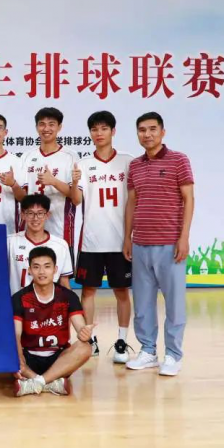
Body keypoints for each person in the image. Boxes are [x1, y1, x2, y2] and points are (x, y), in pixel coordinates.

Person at [124, 112, 194, 377]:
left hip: (170, 244)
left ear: (163, 132)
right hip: (140, 244)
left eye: (153, 129)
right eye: (142, 130)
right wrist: (127, 237)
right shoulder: (135, 165)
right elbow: (132, 202)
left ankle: (173, 355)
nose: (147, 134)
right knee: (142, 304)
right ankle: (148, 351)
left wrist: (184, 237)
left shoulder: (179, 160)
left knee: (174, 304)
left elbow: (189, 199)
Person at [70, 111, 134, 360]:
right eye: (94, 129)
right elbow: (76, 200)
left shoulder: (128, 162)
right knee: (88, 291)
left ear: (113, 131)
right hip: (91, 241)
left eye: (104, 128)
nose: (99, 133)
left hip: (120, 241)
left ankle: (122, 341)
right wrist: (74, 182)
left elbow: (134, 201)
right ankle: (90, 340)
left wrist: (129, 237)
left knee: (122, 292)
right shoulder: (84, 164)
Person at [12, 247, 94, 397]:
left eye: (47, 266)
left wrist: (84, 334)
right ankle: (52, 383)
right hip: (28, 358)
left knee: (86, 348)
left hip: (59, 359)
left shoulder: (68, 296)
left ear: (55, 269)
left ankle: (36, 383)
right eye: (36, 267)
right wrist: (19, 358)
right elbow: (16, 334)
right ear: (29, 270)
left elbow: (81, 328)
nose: (42, 272)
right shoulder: (19, 298)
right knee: (9, 350)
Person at [21, 107, 80, 251]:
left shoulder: (70, 156)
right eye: (42, 124)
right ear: (36, 127)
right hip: (31, 229)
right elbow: (22, 195)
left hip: (61, 228)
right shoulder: (26, 156)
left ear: (59, 127)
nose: (46, 128)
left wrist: (53, 181)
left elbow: (75, 197)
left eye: (51, 124)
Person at [7, 194, 73, 294]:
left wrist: (71, 302)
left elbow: (64, 282)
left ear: (47, 215)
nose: (35, 218)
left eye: (40, 213)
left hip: (49, 302)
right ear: (23, 215)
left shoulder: (61, 245)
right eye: (30, 213)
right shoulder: (10, 242)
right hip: (16, 301)